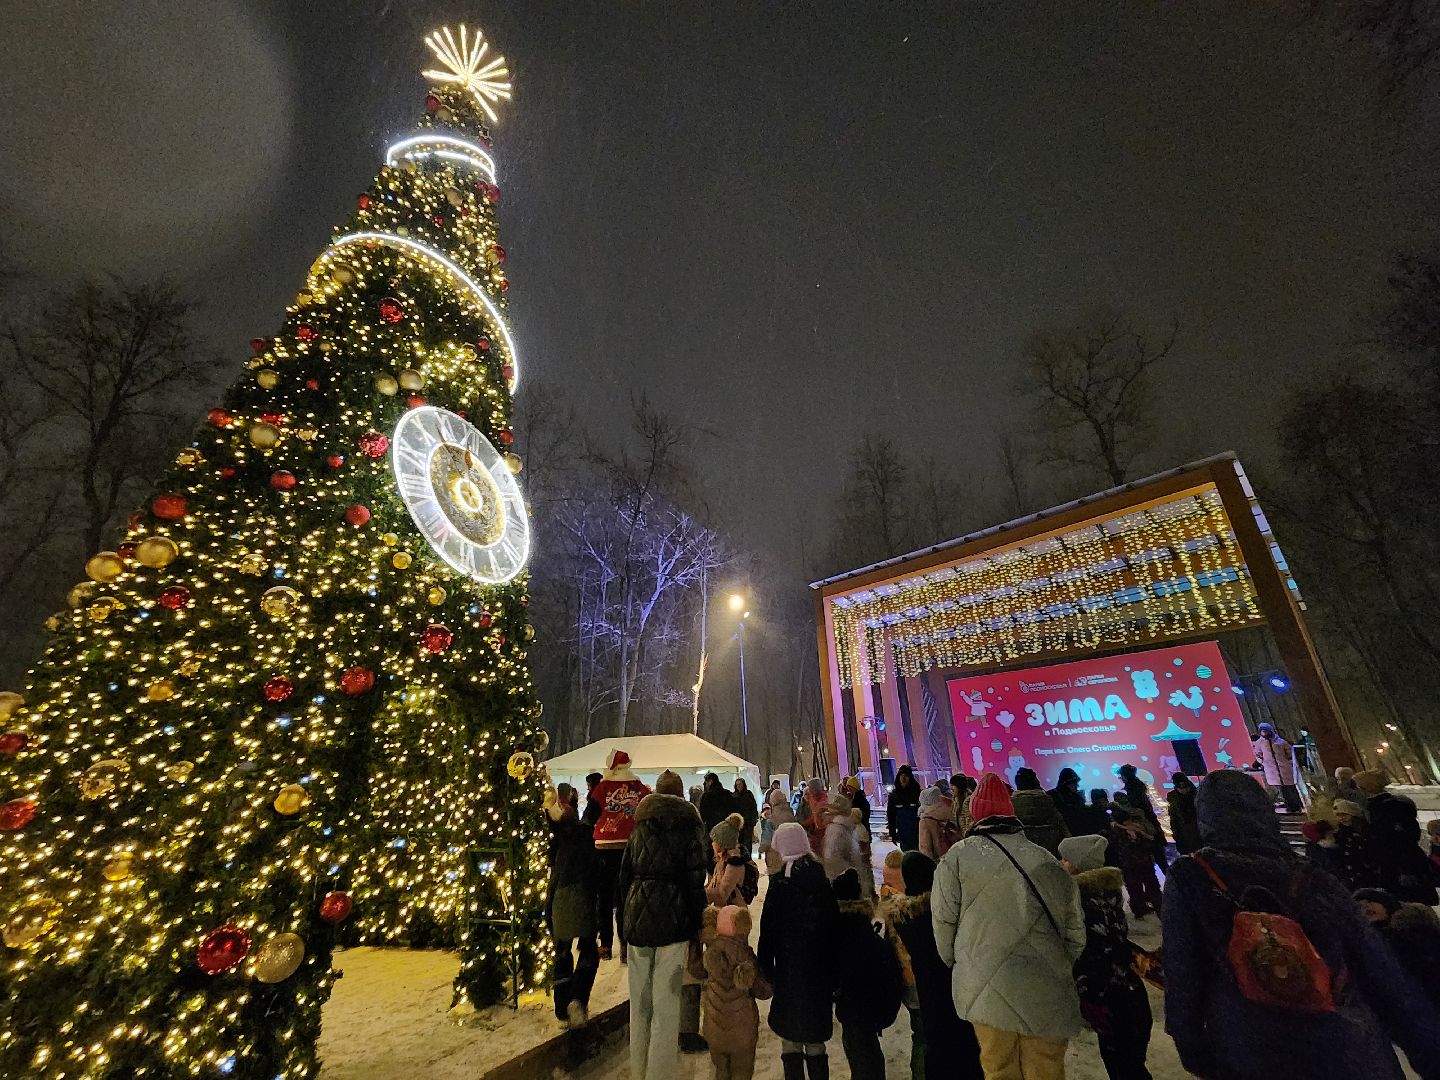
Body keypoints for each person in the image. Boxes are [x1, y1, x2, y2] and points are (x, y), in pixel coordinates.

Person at [1162, 769, 1440, 1080]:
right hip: (1347, 1049)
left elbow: (1182, 971)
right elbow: (1382, 972)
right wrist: (1428, 1052)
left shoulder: (1190, 877)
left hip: (1252, 1050)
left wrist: (1193, 1048)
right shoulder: (1312, 876)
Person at [933, 773, 1086, 1080]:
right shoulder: (1045, 860)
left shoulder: (958, 859)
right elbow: (1074, 933)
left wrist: (963, 963)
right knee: (1046, 1068)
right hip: (1046, 984)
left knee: (999, 1067)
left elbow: (943, 922)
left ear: (975, 813)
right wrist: (1054, 962)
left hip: (985, 980)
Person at [617, 769, 708, 1080]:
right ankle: (659, 1073)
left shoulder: (639, 826)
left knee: (639, 1002)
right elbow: (696, 881)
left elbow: (624, 876)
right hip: (673, 920)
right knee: (666, 1003)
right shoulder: (690, 826)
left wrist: (623, 925)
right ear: (680, 793)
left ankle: (639, 1070)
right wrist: (698, 924)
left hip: (637, 915)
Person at [1059, 835, 1152, 1080]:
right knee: (1131, 1063)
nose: (1061, 863)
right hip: (1129, 990)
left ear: (1078, 866)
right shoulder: (1107, 893)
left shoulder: (1078, 901)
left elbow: (1091, 953)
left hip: (1107, 995)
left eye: (1066, 859)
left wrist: (1087, 995)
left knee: (1122, 1066)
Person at [886, 851, 983, 1080]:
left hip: (928, 1000)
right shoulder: (950, 911)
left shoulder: (905, 919)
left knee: (931, 1045)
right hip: (961, 996)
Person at [758, 822, 839, 1080]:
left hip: (788, 975)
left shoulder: (780, 884)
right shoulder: (822, 880)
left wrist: (766, 970)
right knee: (815, 1042)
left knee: (790, 1040)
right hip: (818, 977)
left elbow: (767, 933)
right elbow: (832, 928)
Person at [832, 869, 902, 1080]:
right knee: (868, 1055)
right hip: (873, 1011)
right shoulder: (870, 938)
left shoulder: (837, 937)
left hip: (854, 1012)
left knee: (863, 1058)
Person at [697, 904, 772, 1080]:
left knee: (721, 1071)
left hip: (714, 1032)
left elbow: (695, 969)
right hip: (743, 1033)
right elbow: (763, 991)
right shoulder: (746, 958)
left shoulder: (711, 955)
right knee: (742, 1072)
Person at [545, 783, 599, 1028]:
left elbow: (553, 880)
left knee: (562, 953)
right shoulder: (587, 836)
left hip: (560, 897)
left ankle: (561, 1009)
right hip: (583, 895)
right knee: (588, 951)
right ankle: (577, 998)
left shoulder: (558, 844)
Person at [592, 749, 651, 961]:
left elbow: (591, 813)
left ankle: (605, 944)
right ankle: (626, 944)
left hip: (603, 847)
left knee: (605, 899)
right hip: (630, 847)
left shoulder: (603, 787)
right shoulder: (639, 787)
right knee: (626, 897)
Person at [1356, 769, 1439, 905]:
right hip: (1407, 860)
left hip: (1397, 864)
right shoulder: (1395, 806)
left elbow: (1388, 839)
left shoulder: (1381, 809)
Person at [1112, 804, 1163, 919]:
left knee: (1135, 889)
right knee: (1150, 888)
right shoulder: (1132, 831)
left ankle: (1140, 910)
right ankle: (1155, 909)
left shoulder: (1115, 831)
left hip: (1130, 866)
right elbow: (1149, 844)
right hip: (1141, 863)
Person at [1116, 766, 1166, 872]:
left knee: (1152, 858)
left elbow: (1137, 810)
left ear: (1124, 776)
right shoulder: (1139, 787)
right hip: (1151, 824)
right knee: (1160, 858)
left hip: (1144, 827)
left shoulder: (1132, 790)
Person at [1012, 768, 1069, 857]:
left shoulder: (1012, 803)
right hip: (1051, 848)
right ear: (1035, 782)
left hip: (1025, 850)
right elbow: (1060, 823)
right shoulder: (1047, 800)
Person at [823, 790, 870, 893]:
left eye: (827, 811)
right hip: (854, 878)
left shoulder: (834, 829)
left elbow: (831, 857)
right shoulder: (848, 826)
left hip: (841, 881)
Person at [707, 813, 758, 908]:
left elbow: (722, 894)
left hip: (734, 914)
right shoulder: (722, 860)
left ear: (722, 844)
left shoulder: (734, 865)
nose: (712, 844)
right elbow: (713, 887)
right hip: (724, 911)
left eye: (715, 841)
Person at [1251, 722, 1302, 813]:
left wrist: (1289, 762)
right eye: (1262, 731)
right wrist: (1263, 762)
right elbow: (1258, 754)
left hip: (1284, 768)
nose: (1264, 733)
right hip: (1272, 769)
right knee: (1282, 790)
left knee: (1291, 788)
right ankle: (1289, 807)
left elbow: (1289, 752)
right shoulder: (1260, 743)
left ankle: (1297, 806)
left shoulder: (1280, 741)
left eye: (1266, 731)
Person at [1332, 799, 1380, 889]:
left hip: (1367, 873)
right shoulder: (1340, 833)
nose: (1342, 818)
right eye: (1338, 815)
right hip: (1350, 874)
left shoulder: (1365, 830)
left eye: (1344, 814)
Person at [761, 787, 799, 875]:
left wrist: (762, 847)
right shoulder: (792, 817)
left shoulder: (772, 820)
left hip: (775, 855)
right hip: (790, 854)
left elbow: (767, 840)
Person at [919, 784, 960, 862]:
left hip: (939, 862)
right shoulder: (951, 811)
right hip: (955, 856)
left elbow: (925, 848)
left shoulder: (925, 820)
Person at [1165, 773, 1202, 856]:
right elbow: (1173, 815)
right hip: (1183, 830)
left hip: (1197, 828)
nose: (1184, 790)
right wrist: (1174, 830)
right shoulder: (1172, 797)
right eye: (1181, 788)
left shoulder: (1196, 793)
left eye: (1186, 787)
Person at [888, 765, 922, 851]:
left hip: (917, 832)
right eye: (901, 776)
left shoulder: (917, 793)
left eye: (906, 776)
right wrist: (892, 833)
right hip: (903, 832)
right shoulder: (894, 796)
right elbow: (891, 815)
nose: (903, 778)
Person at [1049, 768, 1090, 838]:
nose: (1077, 786)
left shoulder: (1077, 797)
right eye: (1074, 783)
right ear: (1067, 784)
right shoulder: (1053, 795)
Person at [799, 777, 830, 857]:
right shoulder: (812, 799)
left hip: (825, 831)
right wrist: (805, 823)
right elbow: (815, 815)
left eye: (811, 789)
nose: (810, 792)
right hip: (817, 831)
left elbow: (821, 816)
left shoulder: (825, 801)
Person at [733, 777, 760, 855]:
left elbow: (754, 807)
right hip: (738, 824)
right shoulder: (734, 795)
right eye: (737, 785)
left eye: (740, 784)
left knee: (747, 842)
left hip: (748, 822)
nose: (739, 786)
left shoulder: (748, 795)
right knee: (739, 842)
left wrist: (753, 819)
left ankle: (748, 857)